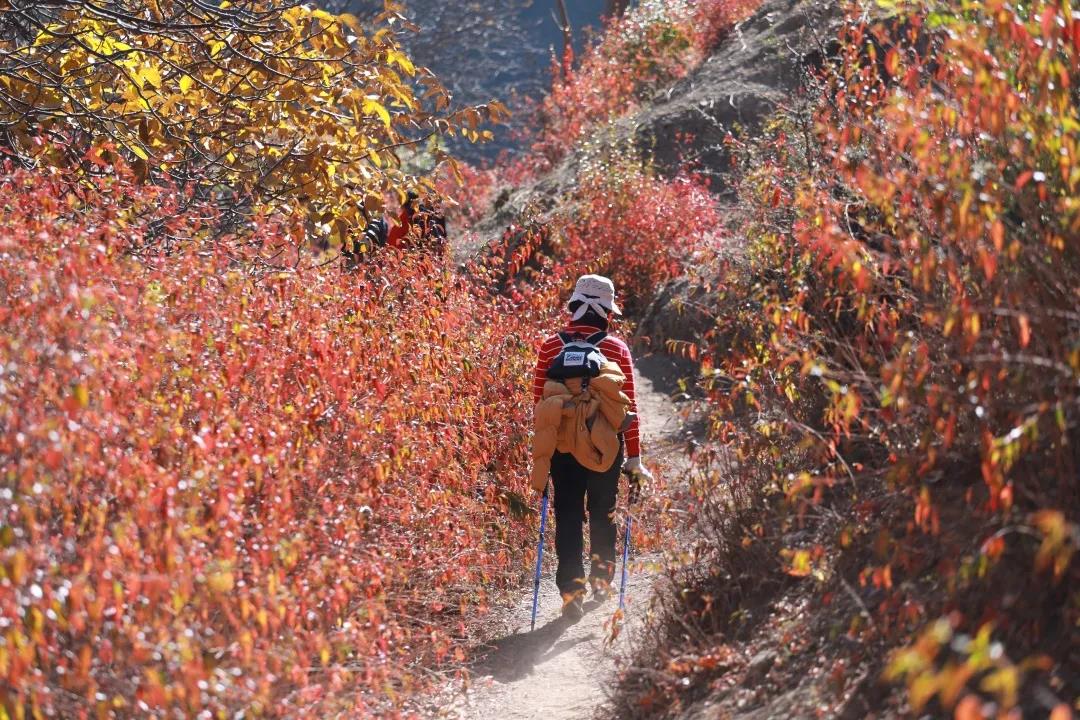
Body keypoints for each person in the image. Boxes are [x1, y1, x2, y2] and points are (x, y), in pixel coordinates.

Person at [531, 274, 655, 619]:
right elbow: (628, 408)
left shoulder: (550, 347)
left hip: (561, 447)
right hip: (606, 448)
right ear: (607, 312)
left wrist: (544, 452)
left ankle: (572, 591)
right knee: (603, 511)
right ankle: (602, 581)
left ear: (573, 306)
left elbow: (538, 402)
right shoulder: (615, 348)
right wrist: (634, 457)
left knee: (568, 513)